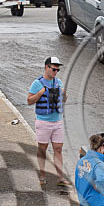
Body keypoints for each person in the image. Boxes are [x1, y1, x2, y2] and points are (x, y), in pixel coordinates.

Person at [28, 56, 69, 187]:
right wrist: (40, 93)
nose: (56, 72)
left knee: (58, 149)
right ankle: (42, 175)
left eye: (58, 70)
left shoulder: (59, 83)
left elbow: (64, 100)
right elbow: (29, 101)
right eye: (54, 69)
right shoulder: (37, 83)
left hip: (57, 121)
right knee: (42, 149)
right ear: (46, 67)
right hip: (43, 122)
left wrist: (64, 93)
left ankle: (60, 178)